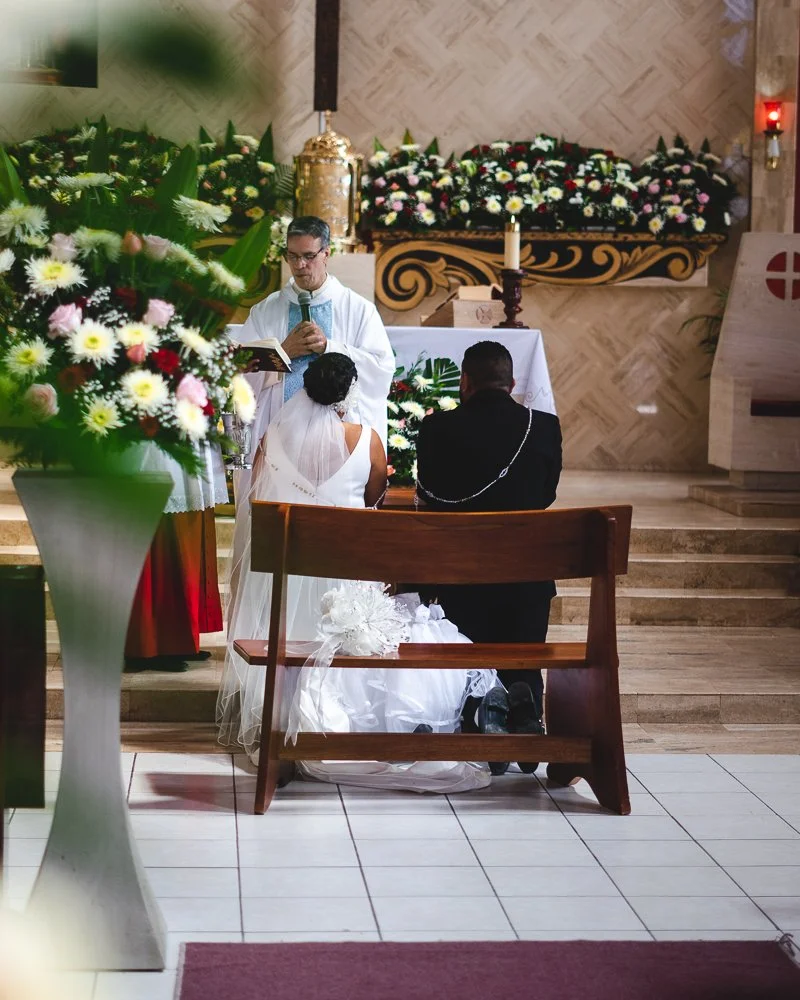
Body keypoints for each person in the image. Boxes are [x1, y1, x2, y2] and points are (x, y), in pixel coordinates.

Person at [217, 352, 495, 793]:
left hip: (284, 580)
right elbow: (374, 499)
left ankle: (283, 715)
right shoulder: (367, 440)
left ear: (306, 388)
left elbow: (255, 501)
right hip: (343, 578)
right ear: (348, 392)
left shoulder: (272, 435)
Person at [415, 340, 562, 775]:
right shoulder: (545, 426)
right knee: (524, 642)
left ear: (465, 382)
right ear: (512, 383)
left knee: (468, 639)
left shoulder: (436, 429)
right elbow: (547, 495)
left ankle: (481, 718)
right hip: (527, 580)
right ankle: (525, 710)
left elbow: (432, 495)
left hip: (460, 578)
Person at [233, 215, 394, 456]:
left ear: (326, 254)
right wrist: (284, 352)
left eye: (308, 256)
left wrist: (329, 347)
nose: (299, 265)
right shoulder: (265, 310)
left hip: (337, 437)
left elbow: (381, 369)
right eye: (293, 256)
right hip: (278, 433)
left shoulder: (358, 309)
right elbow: (240, 370)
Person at [124, 442, 226, 672]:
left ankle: (180, 640)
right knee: (163, 543)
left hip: (189, 444)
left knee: (187, 541)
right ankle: (150, 646)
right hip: (159, 452)